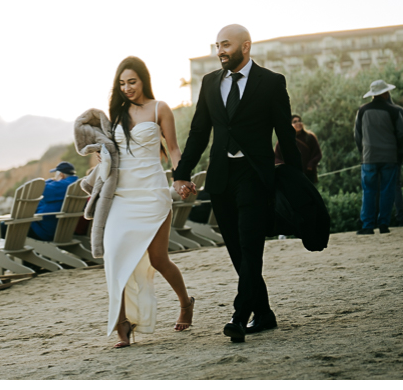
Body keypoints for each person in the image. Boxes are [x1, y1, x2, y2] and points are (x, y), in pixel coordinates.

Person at [172, 24, 302, 343]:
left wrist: (297, 180)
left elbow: (285, 134)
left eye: (226, 45)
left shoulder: (271, 82)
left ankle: (240, 315)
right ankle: (265, 313)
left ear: (246, 47)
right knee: (236, 250)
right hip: (221, 176)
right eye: (217, 46)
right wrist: (181, 172)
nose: (220, 51)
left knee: (250, 245)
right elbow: (199, 132)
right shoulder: (209, 82)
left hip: (255, 175)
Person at [100, 56, 195, 347]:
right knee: (114, 256)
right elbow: (110, 156)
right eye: (122, 83)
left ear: (143, 80)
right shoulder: (116, 115)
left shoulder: (159, 108)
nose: (127, 88)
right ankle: (123, 323)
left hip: (152, 193)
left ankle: (185, 302)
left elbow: (174, 149)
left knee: (158, 259)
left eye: (132, 82)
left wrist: (181, 177)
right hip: (122, 197)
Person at [354, 79, 403, 236]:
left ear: (372, 95)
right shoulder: (394, 111)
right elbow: (402, 133)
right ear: (385, 93)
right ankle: (384, 224)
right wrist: (399, 151)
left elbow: (357, 135)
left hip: (369, 156)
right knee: (387, 190)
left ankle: (368, 225)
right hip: (389, 156)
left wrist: (362, 151)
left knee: (369, 191)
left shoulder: (362, 111)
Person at [27, 162, 78, 242]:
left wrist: (50, 180)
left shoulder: (62, 186)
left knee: (3, 227)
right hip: (65, 230)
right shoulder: (76, 185)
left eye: (55, 174)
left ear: (61, 175)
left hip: (45, 231)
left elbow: (38, 188)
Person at [386, 93, 403, 226]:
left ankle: (381, 219)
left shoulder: (374, 111)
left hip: (379, 154)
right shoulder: (400, 110)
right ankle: (399, 217)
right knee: (396, 184)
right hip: (397, 154)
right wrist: (402, 151)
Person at [275, 114, 322, 184]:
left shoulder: (310, 137)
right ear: (290, 124)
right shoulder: (284, 140)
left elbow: (318, 154)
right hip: (292, 176)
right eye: (295, 122)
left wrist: (311, 164)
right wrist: (285, 167)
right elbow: (276, 157)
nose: (298, 123)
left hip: (308, 174)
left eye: (299, 121)